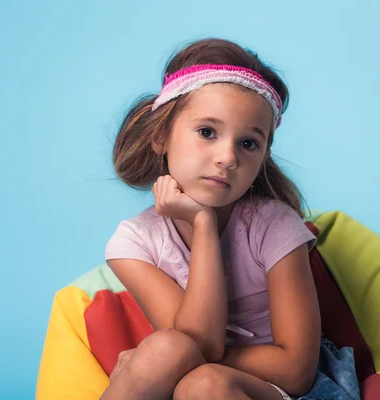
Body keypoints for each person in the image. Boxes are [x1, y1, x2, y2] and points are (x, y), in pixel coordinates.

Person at [102, 38, 359, 400]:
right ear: (161, 136)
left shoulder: (274, 226)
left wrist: (202, 225)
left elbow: (296, 371)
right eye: (207, 132)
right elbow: (193, 344)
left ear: (263, 156)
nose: (227, 157)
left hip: (280, 391)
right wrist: (168, 358)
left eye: (248, 143)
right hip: (183, 382)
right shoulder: (133, 242)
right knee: (167, 351)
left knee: (202, 381)